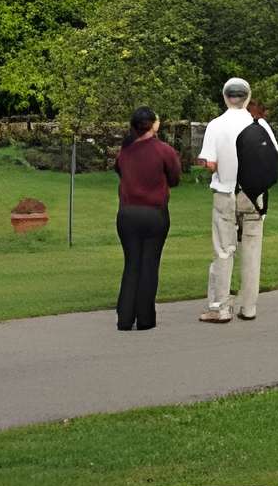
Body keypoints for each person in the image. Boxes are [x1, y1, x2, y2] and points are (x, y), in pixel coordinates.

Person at [197, 76, 269, 324]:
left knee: (224, 250)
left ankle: (219, 307)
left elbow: (210, 163)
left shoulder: (216, 125)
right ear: (247, 97)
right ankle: (248, 307)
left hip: (225, 192)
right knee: (252, 250)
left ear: (225, 96)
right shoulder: (260, 124)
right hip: (255, 195)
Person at [114, 105, 181, 332]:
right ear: (154, 124)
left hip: (127, 213)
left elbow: (120, 171)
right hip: (154, 213)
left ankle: (124, 317)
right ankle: (145, 317)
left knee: (132, 262)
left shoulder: (125, 152)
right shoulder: (164, 151)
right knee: (149, 263)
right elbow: (174, 179)